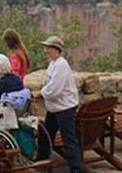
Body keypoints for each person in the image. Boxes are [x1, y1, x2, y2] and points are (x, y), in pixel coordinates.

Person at [35, 36, 82, 173]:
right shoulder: (53, 64)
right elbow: (49, 84)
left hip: (64, 109)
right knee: (46, 135)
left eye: (48, 48)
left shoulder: (61, 65)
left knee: (69, 140)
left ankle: (75, 169)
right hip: (54, 108)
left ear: (56, 49)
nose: (46, 51)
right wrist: (43, 94)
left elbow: (54, 89)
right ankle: (41, 162)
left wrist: (40, 94)